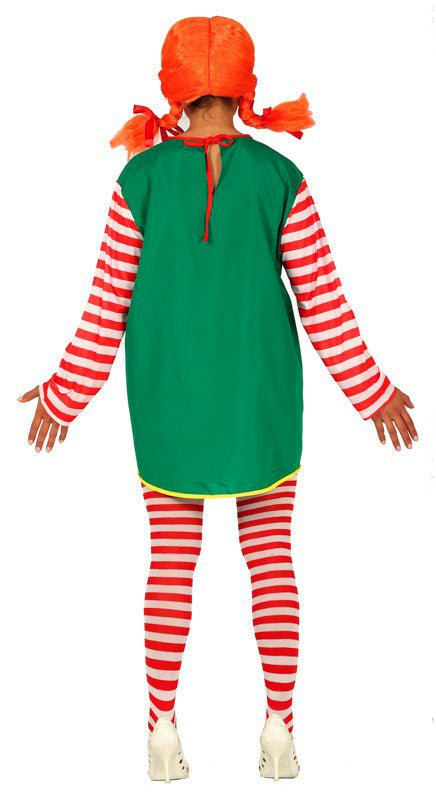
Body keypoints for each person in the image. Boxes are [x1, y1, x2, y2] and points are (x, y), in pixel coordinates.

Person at [18, 15, 418, 783]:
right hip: (261, 405)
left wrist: (63, 394)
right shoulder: (280, 178)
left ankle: (162, 731)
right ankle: (280, 728)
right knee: (271, 563)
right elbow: (325, 305)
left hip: (169, 407)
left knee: (171, 565)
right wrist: (373, 392)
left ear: (171, 85)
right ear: (245, 86)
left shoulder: (139, 180)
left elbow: (105, 310)